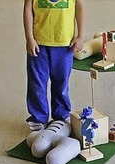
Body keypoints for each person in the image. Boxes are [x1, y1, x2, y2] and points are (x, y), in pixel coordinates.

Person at [23, 0, 86, 131]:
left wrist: (81, 36)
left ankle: (61, 115)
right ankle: (38, 118)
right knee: (37, 83)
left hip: (65, 44)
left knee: (61, 82)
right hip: (38, 43)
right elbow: (28, 8)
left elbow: (80, 7)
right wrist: (29, 38)